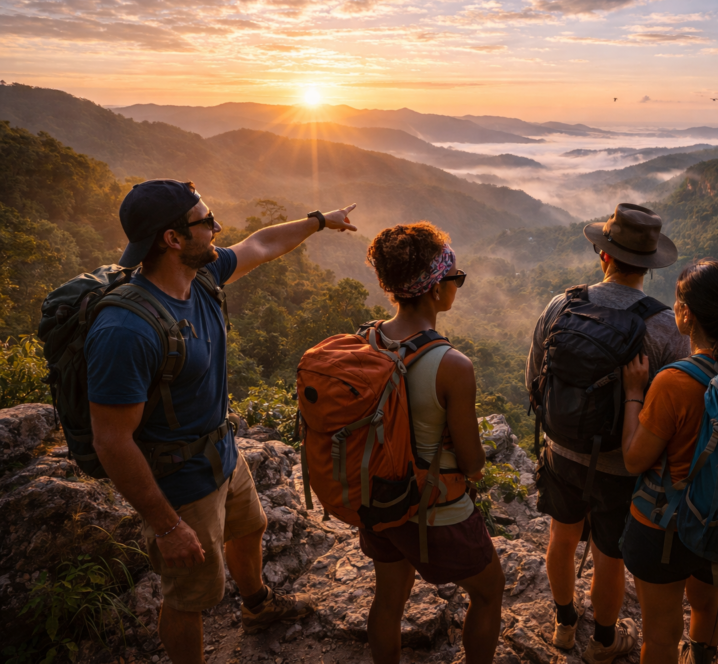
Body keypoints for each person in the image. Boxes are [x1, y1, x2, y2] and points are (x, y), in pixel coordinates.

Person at [88, 179, 357, 664]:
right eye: (206, 222)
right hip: (180, 481)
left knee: (250, 527)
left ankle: (257, 606)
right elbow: (111, 440)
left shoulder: (203, 278)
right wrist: (167, 526)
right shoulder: (126, 329)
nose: (217, 228)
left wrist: (321, 221)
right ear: (172, 239)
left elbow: (262, 243)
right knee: (190, 598)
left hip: (223, 454)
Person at [526, 204, 690, 662]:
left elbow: (535, 376)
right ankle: (602, 641)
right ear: (651, 266)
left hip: (561, 451)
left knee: (561, 536)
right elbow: (672, 407)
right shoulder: (663, 326)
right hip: (621, 464)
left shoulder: (562, 304)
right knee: (607, 557)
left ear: (604, 255)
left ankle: (562, 625)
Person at [359, 222, 506, 664]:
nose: (457, 287)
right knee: (489, 591)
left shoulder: (365, 338)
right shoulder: (451, 365)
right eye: (455, 278)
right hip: (436, 507)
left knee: (388, 599)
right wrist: (477, 470)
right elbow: (471, 459)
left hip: (380, 500)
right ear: (436, 289)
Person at [620, 259, 718, 664]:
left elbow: (635, 460)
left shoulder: (674, 382)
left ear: (685, 314)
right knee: (706, 606)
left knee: (660, 634)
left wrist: (635, 391)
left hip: (667, 527)